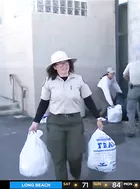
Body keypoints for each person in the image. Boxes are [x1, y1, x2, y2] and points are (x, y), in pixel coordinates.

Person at [28, 51, 104, 180]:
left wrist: (98, 117)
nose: (64, 66)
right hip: (55, 123)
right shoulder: (49, 82)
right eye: (60, 63)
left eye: (66, 62)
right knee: (58, 157)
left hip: (74, 122)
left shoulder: (78, 79)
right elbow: (43, 103)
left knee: (75, 156)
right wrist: (35, 122)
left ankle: (76, 177)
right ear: (54, 67)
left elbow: (88, 99)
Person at [123, 59, 140, 137]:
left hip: (133, 89)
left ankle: (131, 130)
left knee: (131, 110)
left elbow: (125, 75)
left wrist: (130, 79)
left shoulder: (131, 64)